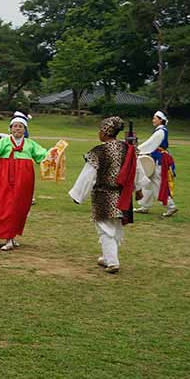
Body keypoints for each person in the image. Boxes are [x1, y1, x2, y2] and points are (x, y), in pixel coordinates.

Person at [69, 117, 147, 274]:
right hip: (122, 195)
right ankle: (107, 256)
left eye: (100, 130)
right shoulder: (128, 149)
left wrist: (78, 194)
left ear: (105, 132)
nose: (99, 133)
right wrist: (138, 189)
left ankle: (112, 261)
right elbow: (136, 170)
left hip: (104, 195)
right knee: (115, 226)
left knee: (104, 228)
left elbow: (88, 175)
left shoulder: (99, 151)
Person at [0, 112, 48, 251]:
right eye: (15, 126)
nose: (17, 129)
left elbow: (43, 156)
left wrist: (54, 153)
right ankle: (6, 236)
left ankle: (11, 236)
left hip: (23, 179)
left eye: (21, 126)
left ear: (25, 129)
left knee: (18, 207)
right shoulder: (4, 142)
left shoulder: (30, 144)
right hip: (2, 177)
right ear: (10, 129)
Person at [136, 111, 177, 217]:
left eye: (155, 118)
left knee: (157, 183)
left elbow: (150, 144)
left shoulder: (160, 131)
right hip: (156, 159)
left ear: (160, 120)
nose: (153, 120)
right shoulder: (160, 130)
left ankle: (171, 206)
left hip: (160, 160)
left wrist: (137, 150)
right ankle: (144, 205)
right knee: (148, 182)